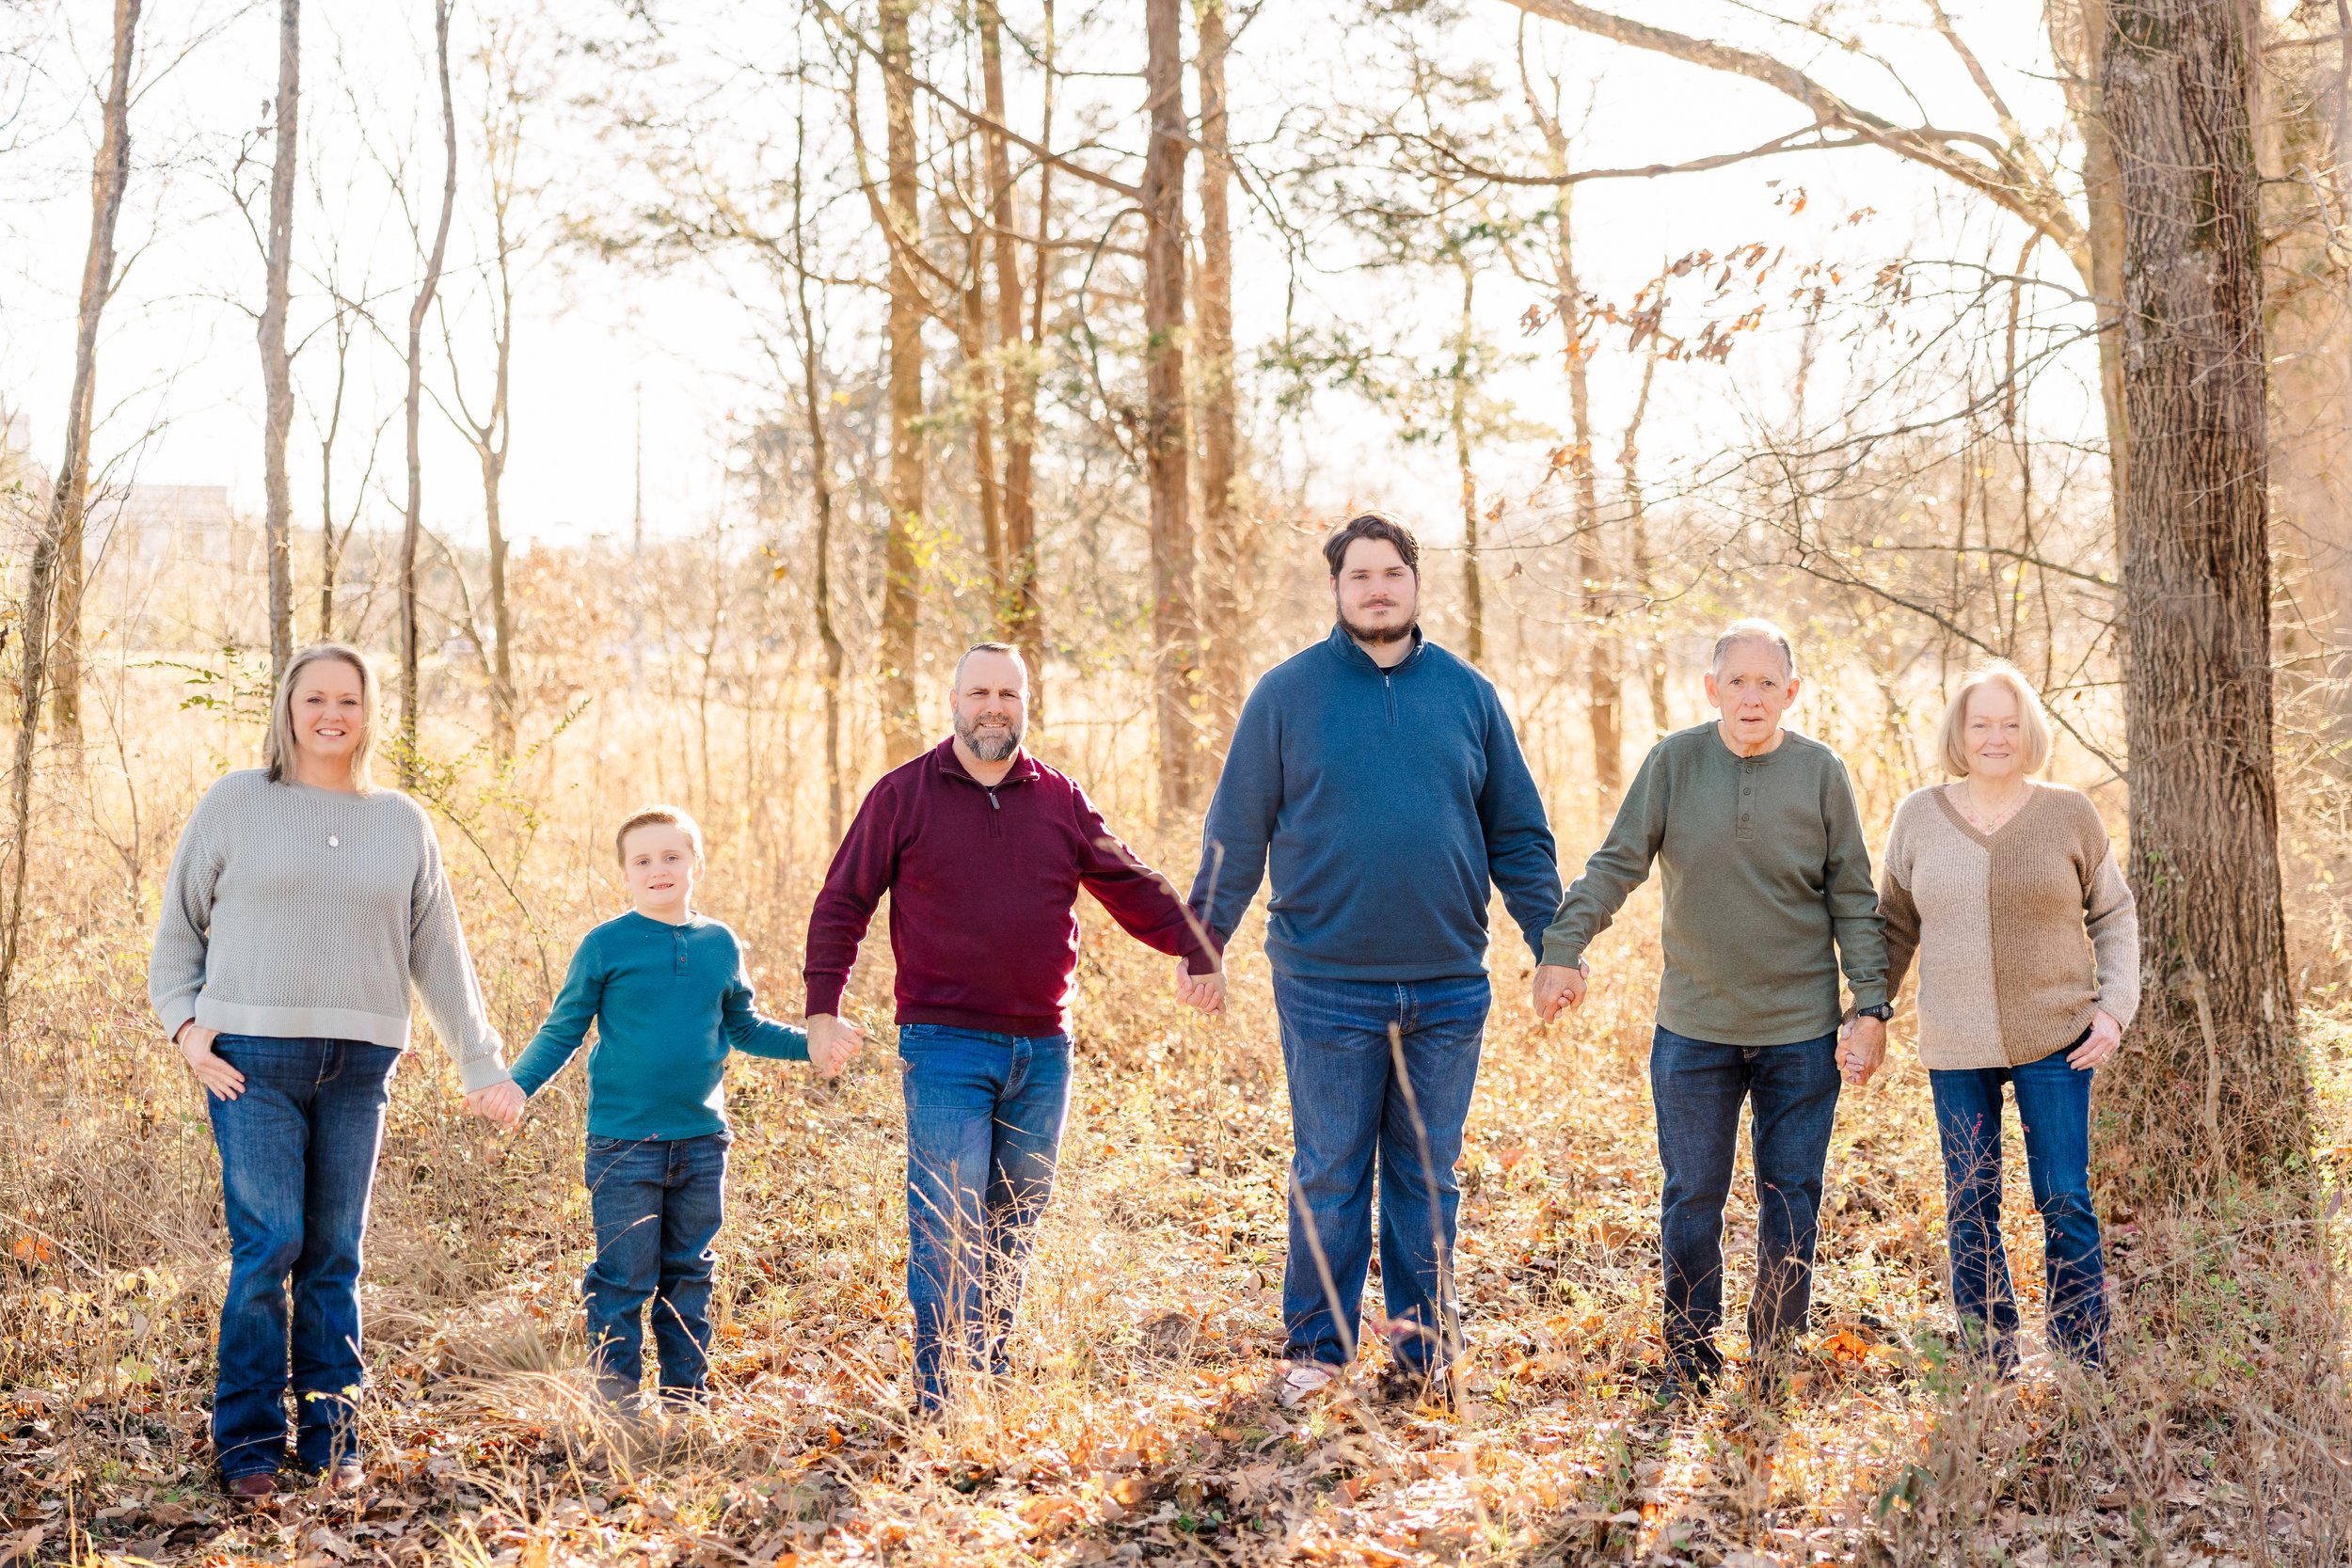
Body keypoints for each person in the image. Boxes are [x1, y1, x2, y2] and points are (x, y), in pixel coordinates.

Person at [1188, 512, 1562, 1411]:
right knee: (1329, 1167)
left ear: (1415, 581)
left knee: (1428, 1174)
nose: (1378, 588)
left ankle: (1421, 1353)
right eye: (1360, 576)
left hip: (1445, 982)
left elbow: (1519, 833)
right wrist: (1205, 940)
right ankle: (1317, 1348)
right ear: (1336, 589)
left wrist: (1555, 942)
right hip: (1324, 982)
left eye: (1392, 572)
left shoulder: (1468, 696)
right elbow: (1235, 831)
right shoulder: (1287, 695)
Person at [802, 643, 1221, 1416]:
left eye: (1009, 694)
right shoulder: (903, 796)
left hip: (1044, 1049)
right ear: (953, 701)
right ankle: (941, 1394)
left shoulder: (1059, 799)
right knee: (946, 1216)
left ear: (1027, 703)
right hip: (944, 1044)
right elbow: (842, 901)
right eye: (980, 692)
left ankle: (988, 1375)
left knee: (1013, 1219)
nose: (994, 706)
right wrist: (822, 1006)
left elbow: (1129, 883)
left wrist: (1198, 946)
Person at [150, 643, 521, 1500]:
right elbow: (178, 935)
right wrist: (185, 1029)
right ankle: (245, 1445)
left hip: (361, 1064)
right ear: (288, 707)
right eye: (314, 697)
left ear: (368, 712)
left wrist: (480, 1058)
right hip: (251, 1062)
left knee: (334, 1257)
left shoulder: (401, 820)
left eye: (348, 700)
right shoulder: (237, 802)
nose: (331, 714)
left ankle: (330, 1440)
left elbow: (440, 949)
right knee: (268, 1246)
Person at [1538, 618, 1888, 1405]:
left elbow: (1854, 897)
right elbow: (1617, 862)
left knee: (1790, 1193)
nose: (1753, 695)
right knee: (1691, 1193)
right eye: (1738, 680)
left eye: (1769, 682)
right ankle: (1689, 1360)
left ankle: (1771, 1359)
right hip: (1693, 1028)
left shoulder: (1822, 772)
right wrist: (1564, 945)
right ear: (1712, 688)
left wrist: (1871, 1007)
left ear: (1791, 692)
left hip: (1799, 1031)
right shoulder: (1673, 762)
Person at [504, 806, 855, 1405]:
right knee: (623, 1278)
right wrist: (517, 1085)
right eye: (643, 860)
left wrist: (812, 1046)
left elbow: (742, 1027)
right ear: (625, 873)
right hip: (624, 1143)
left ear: (695, 863)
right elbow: (564, 1029)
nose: (658, 869)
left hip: (701, 1140)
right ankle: (616, 1406)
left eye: (672, 856)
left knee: (690, 1271)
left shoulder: (719, 944)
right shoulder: (605, 946)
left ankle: (685, 1400)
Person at [1869, 663, 2136, 1373]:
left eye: (2010, 723)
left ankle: (2082, 1357)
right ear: (1959, 731)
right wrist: (1868, 1011)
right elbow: (1891, 926)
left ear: (2030, 732)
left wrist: (2114, 1009)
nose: (1996, 736)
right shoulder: (1918, 815)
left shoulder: (2069, 811)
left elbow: (2113, 912)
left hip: (2057, 1036)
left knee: (2065, 1196)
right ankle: (1990, 1358)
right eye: (1981, 722)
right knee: (1969, 1201)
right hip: (1957, 1043)